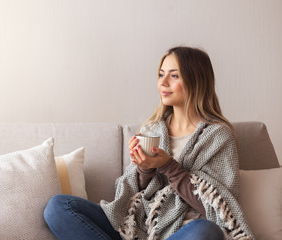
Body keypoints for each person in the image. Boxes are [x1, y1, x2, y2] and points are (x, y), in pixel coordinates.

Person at [44, 46, 254, 240]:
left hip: (185, 231)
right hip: (139, 228)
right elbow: (132, 197)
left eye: (174, 76)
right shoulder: (152, 129)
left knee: (206, 231)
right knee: (58, 207)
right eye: (161, 75)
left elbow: (219, 207)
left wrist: (168, 166)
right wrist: (144, 170)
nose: (163, 83)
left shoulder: (218, 135)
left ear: (196, 80)